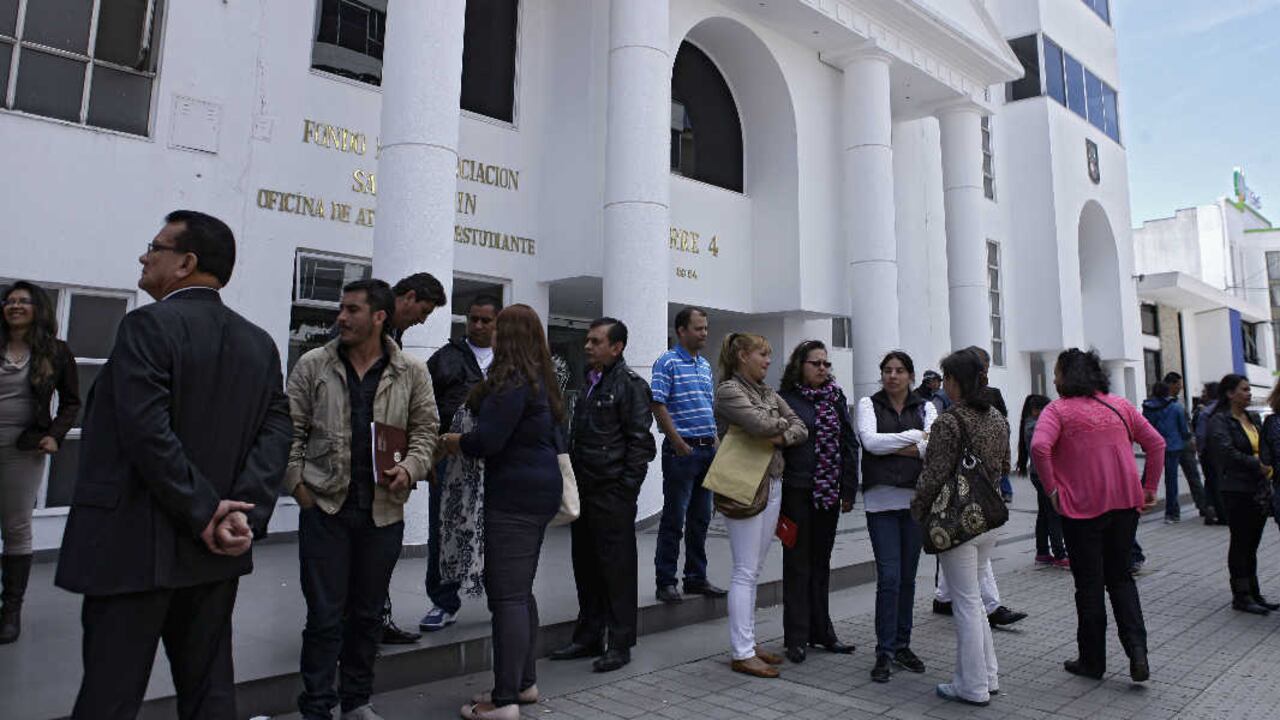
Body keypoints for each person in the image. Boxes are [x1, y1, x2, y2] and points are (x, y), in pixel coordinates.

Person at [56, 211, 292, 719]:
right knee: (209, 692)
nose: (144, 256)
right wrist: (238, 516)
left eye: (154, 247)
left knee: (110, 696)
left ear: (186, 263)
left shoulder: (147, 325)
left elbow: (145, 431)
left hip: (132, 550)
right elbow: (277, 433)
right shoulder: (259, 343)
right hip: (215, 554)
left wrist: (207, 511)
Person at [286, 278, 438, 720]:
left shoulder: (411, 371)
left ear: (379, 317)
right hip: (325, 511)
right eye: (342, 308)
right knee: (323, 618)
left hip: (383, 514)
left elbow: (426, 431)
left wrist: (410, 467)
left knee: (368, 616)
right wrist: (298, 486)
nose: (341, 317)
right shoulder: (314, 364)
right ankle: (316, 705)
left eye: (352, 310)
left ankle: (356, 701)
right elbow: (288, 429)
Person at [442, 304, 564, 720]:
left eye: (496, 327)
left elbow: (488, 441)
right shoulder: (538, 380)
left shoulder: (511, 381)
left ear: (507, 335)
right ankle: (524, 683)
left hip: (513, 497)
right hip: (538, 493)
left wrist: (455, 441)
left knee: (507, 597)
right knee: (520, 592)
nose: (488, 333)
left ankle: (504, 698)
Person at [1031, 348, 1163, 682]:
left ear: (1067, 375)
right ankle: (1137, 653)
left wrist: (1052, 490)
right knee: (1120, 579)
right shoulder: (1120, 405)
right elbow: (1157, 443)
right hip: (1124, 506)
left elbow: (1039, 448)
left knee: (1089, 585)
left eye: (1058, 372)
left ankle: (1092, 661)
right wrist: (1149, 487)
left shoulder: (1057, 410)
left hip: (1080, 509)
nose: (1055, 379)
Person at [550, 317, 655, 672]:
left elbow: (641, 445)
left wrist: (625, 490)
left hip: (612, 494)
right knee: (587, 567)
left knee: (617, 571)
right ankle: (588, 636)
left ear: (617, 347)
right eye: (588, 341)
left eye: (596, 341)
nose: (588, 346)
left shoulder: (630, 385)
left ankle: (620, 643)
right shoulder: (590, 382)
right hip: (584, 491)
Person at [912, 349, 1010, 707]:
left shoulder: (950, 422)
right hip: (990, 517)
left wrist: (919, 509)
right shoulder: (997, 417)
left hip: (958, 522)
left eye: (947, 378)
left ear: (954, 381)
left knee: (966, 603)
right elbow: (1005, 463)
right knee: (976, 602)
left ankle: (972, 686)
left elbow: (934, 474)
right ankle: (987, 676)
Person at [713, 332, 807, 679]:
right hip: (744, 485)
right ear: (741, 356)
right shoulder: (728, 391)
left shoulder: (766, 392)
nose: (769, 361)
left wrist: (777, 434)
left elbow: (800, 427)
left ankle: (749, 644)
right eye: (762, 355)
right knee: (745, 570)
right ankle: (741, 651)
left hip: (772, 483)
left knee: (754, 568)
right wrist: (777, 428)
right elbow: (760, 424)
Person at [0, 281, 80, 644]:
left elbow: (71, 402)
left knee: (16, 526)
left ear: (38, 308)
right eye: (9, 301)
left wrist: (55, 435)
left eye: (23, 301)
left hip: (23, 447)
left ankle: (10, 612)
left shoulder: (56, 352)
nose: (14, 306)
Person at [419, 294, 500, 634]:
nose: (478, 325)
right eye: (473, 319)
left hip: (495, 462)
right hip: (449, 460)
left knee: (497, 532)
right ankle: (443, 601)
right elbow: (421, 406)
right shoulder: (446, 358)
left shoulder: (508, 361)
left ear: (498, 323)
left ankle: (501, 599)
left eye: (486, 320)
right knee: (444, 529)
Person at [377, 272, 448, 645]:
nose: (422, 320)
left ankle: (376, 618)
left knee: (383, 546)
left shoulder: (394, 337)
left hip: (389, 455)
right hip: (363, 458)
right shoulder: (371, 329)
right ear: (406, 297)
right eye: (422, 311)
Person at [777, 340, 858, 664]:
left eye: (826, 364)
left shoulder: (835, 398)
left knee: (821, 565)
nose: (823, 369)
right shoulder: (786, 400)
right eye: (816, 363)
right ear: (800, 365)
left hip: (827, 493)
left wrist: (848, 488)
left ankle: (821, 631)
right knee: (797, 566)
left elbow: (848, 443)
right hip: (796, 492)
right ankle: (795, 637)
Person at [857, 350, 935, 683]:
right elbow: (871, 443)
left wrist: (917, 443)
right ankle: (884, 650)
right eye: (887, 370)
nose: (892, 376)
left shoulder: (926, 406)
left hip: (915, 503)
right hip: (880, 503)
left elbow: (933, 447)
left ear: (910, 375)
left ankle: (903, 644)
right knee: (889, 578)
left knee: (907, 578)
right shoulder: (867, 405)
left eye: (899, 370)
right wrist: (915, 439)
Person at [652, 307, 726, 602]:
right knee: (674, 518)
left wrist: (718, 444)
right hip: (682, 452)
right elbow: (657, 404)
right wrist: (678, 442)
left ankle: (696, 577)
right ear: (681, 330)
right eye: (698, 328)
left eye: (706, 328)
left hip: (707, 449)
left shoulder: (705, 366)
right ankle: (665, 581)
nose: (704, 333)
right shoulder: (666, 362)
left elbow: (708, 408)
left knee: (701, 519)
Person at [1207, 374, 1277, 615]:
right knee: (1241, 543)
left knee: (1252, 544)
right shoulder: (1220, 420)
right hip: (1236, 489)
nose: (1248, 393)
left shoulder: (1251, 417)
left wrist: (1265, 462)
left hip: (1257, 489)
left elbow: (1264, 445)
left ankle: (1255, 592)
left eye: (1249, 390)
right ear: (1230, 393)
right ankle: (1242, 595)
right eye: (1244, 390)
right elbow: (1226, 452)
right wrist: (1256, 463)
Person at [1016, 395, 1065, 566]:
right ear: (1036, 410)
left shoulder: (1030, 424)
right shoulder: (1034, 426)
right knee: (1054, 514)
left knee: (1044, 514)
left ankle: (1042, 552)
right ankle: (1060, 554)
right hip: (1043, 475)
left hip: (1039, 474)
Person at [1163, 372, 1213, 522]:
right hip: (1181, 443)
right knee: (1193, 477)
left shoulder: (1158, 403)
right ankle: (1203, 507)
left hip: (1169, 445)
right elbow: (1184, 426)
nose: (1180, 387)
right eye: (1178, 384)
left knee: (1175, 479)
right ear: (1171, 385)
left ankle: (1175, 512)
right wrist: (1190, 438)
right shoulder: (1174, 405)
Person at [1142, 381, 1195, 524]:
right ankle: (1172, 513)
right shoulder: (1176, 407)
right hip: (1173, 447)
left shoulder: (1147, 408)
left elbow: (1144, 429)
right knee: (1171, 481)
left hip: (1153, 448)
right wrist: (1186, 439)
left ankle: (1139, 506)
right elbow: (1184, 430)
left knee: (1147, 479)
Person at [1193, 381, 1227, 525]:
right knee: (1220, 480)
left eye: (1204, 392)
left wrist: (1200, 450)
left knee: (1212, 481)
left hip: (1209, 452)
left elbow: (1200, 435)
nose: (1202, 395)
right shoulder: (1226, 409)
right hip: (1224, 452)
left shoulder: (1206, 412)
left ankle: (1213, 509)